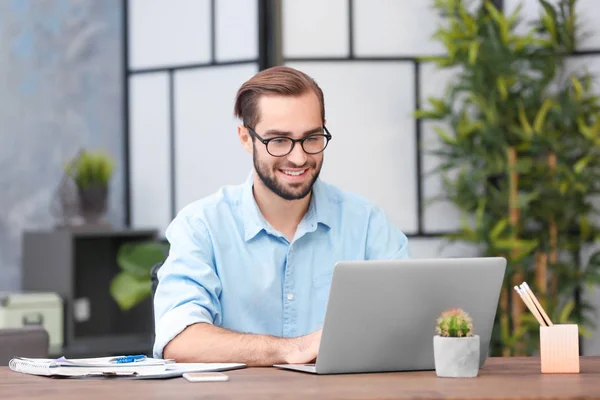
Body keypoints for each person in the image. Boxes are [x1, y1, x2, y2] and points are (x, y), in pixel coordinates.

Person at [153, 66, 410, 366]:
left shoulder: (366, 223)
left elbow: (408, 320)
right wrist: (292, 349)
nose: (299, 157)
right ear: (246, 138)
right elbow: (179, 339)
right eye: (278, 141)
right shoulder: (202, 226)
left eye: (312, 138)